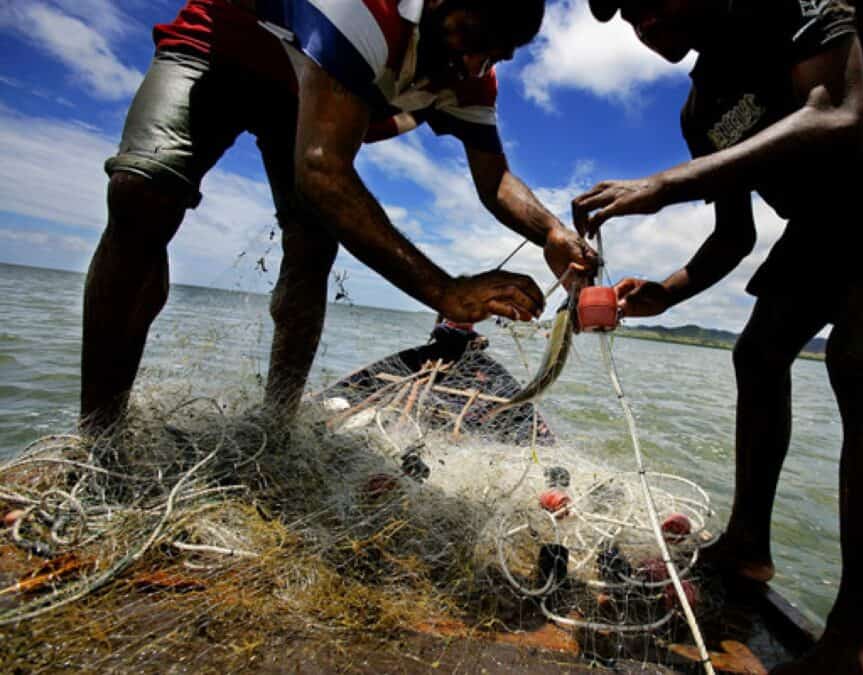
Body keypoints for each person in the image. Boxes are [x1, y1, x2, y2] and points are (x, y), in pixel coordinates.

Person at [572, 1, 863, 672]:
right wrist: (665, 292)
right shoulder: (702, 111)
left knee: (862, 358)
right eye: (625, 13)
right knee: (759, 352)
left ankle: (859, 640)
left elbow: (838, 112)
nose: (640, 21)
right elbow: (734, 235)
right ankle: (747, 543)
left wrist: (661, 185)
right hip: (834, 205)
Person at [82, 0, 596, 434]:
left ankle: (276, 430)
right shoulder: (365, 11)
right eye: (473, 39)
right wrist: (444, 290)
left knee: (312, 248)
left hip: (303, 100)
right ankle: (98, 438)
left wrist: (551, 231)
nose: (475, 63)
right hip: (217, 51)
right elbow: (323, 171)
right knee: (141, 192)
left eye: (494, 55)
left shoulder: (472, 73)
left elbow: (495, 180)